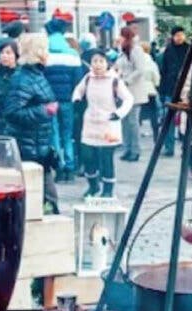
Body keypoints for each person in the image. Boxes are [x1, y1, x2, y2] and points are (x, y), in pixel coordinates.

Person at [3, 32, 60, 214]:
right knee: (39, 198)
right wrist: (45, 111)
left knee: (46, 196)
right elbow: (12, 112)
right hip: (28, 148)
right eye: (46, 49)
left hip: (39, 145)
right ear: (39, 52)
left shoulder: (36, 75)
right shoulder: (24, 79)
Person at [72, 49, 134, 198]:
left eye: (101, 61)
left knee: (107, 159)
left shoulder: (115, 81)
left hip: (109, 125)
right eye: (95, 61)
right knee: (88, 157)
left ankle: (108, 190)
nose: (98, 65)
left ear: (107, 63)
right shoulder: (88, 78)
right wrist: (77, 100)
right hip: (90, 124)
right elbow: (78, 91)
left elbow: (128, 99)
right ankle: (93, 186)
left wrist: (118, 114)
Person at [43, 10, 83, 182]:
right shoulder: (72, 55)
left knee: (54, 134)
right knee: (68, 134)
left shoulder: (44, 55)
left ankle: (58, 167)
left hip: (50, 102)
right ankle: (70, 166)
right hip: (67, 101)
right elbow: (79, 82)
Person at [114, 27, 146, 162]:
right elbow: (119, 67)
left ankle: (135, 150)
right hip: (124, 92)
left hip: (133, 91)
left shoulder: (136, 50)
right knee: (125, 122)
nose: (118, 38)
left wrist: (127, 80)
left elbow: (140, 70)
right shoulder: (122, 52)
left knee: (133, 122)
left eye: (120, 36)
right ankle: (127, 149)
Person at [158, 26, 188, 156]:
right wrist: (163, 91)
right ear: (173, 36)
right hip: (170, 88)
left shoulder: (189, 49)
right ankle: (169, 147)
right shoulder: (168, 50)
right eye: (177, 35)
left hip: (186, 89)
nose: (180, 37)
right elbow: (163, 71)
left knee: (186, 119)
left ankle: (186, 147)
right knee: (168, 118)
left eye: (182, 34)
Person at [139, 42, 160, 141]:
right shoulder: (152, 63)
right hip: (150, 90)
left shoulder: (136, 61)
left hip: (138, 91)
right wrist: (155, 85)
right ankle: (156, 135)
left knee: (137, 115)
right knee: (153, 115)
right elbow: (156, 78)